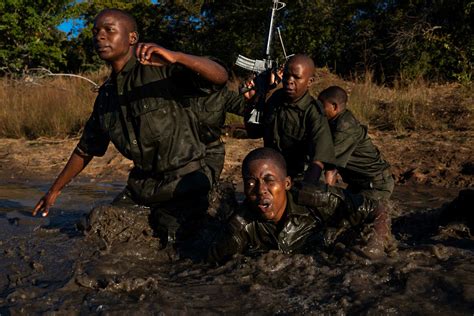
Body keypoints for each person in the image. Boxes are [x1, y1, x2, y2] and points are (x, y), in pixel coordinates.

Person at [32, 8, 228, 245]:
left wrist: (177, 57)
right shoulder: (106, 97)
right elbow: (86, 149)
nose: (99, 37)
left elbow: (219, 76)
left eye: (109, 30)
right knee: (97, 228)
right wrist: (54, 191)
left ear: (132, 38)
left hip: (185, 182)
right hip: (143, 187)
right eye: (95, 32)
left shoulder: (161, 69)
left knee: (175, 238)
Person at [207, 147, 388, 264]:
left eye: (269, 180)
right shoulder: (240, 229)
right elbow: (209, 267)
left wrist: (375, 245)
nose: (261, 190)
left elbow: (377, 208)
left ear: (286, 184)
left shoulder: (317, 199)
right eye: (251, 183)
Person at [245, 54, 336, 184]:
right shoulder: (276, 99)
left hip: (299, 177)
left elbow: (319, 159)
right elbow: (254, 132)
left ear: (309, 81)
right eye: (286, 76)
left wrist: (307, 187)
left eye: (296, 77)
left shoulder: (313, 111)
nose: (289, 81)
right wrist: (252, 102)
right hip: (274, 173)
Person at [317, 85, 394, 200]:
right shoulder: (333, 121)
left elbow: (329, 165)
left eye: (322, 104)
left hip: (375, 185)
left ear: (334, 107)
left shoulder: (345, 127)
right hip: (358, 183)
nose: (319, 109)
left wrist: (324, 199)